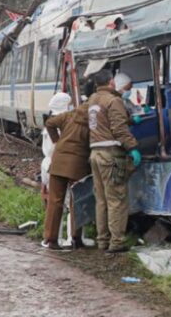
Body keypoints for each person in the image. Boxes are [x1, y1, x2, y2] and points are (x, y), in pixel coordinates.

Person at [87, 70, 140, 253]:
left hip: (95, 153)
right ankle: (117, 242)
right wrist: (132, 147)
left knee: (101, 200)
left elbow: (104, 122)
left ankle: (102, 240)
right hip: (113, 155)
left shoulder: (93, 99)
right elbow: (118, 129)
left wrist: (129, 120)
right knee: (117, 198)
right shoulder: (113, 100)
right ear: (111, 82)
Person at [42, 92, 91, 250]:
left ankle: (51, 240)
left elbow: (49, 123)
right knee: (77, 200)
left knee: (55, 201)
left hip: (59, 162)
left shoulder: (68, 115)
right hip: (78, 165)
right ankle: (76, 238)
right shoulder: (91, 121)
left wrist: (57, 141)